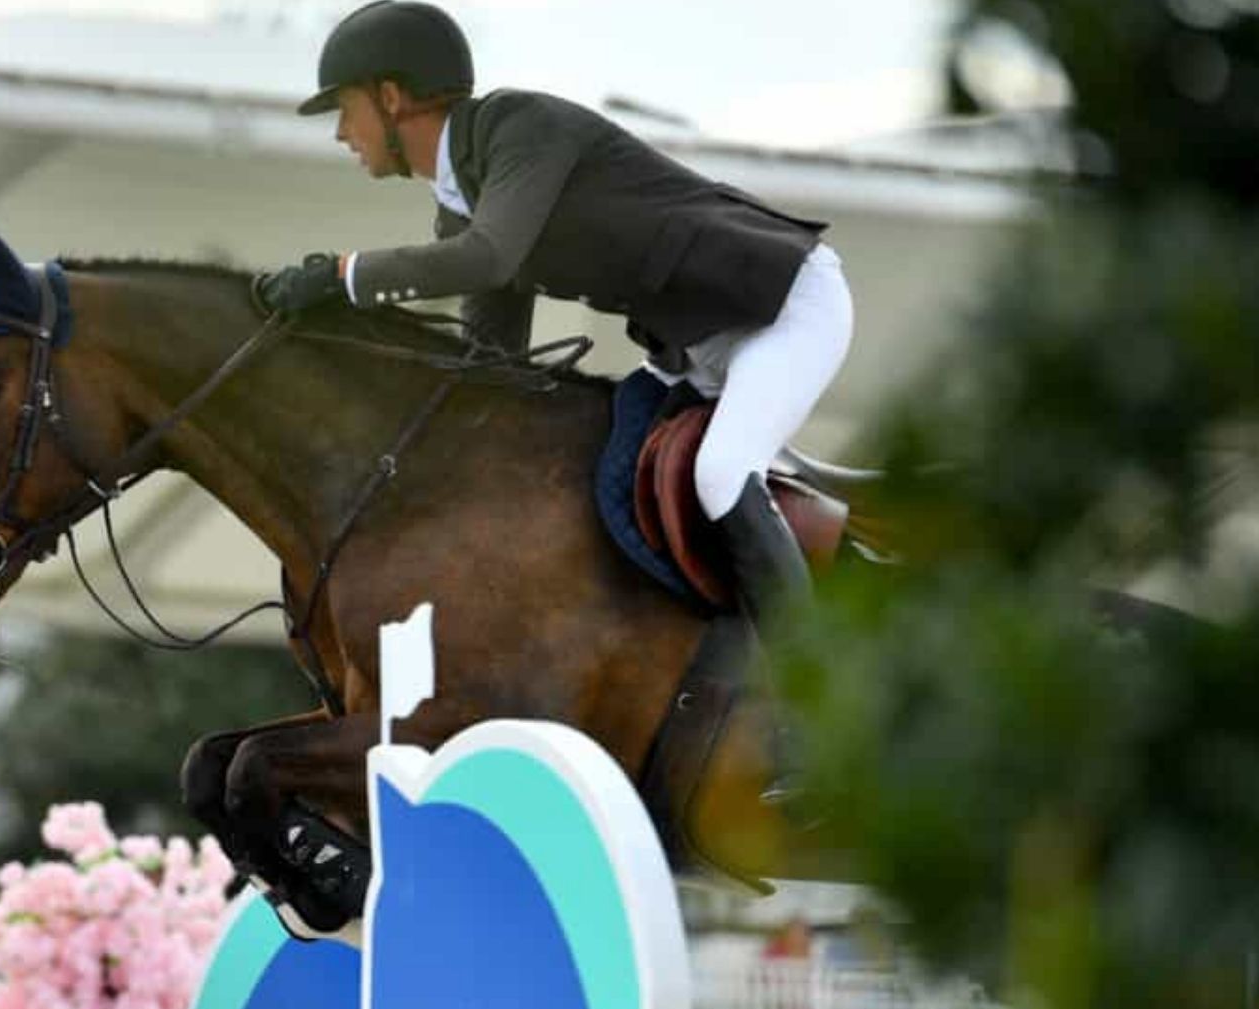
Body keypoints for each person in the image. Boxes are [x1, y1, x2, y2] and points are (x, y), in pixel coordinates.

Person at [260, 1, 855, 633]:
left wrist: (345, 276)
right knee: (597, 464)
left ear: (389, 97)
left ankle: (801, 679)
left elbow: (487, 260)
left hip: (781, 305)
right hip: (698, 351)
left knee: (719, 474)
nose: (341, 133)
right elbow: (491, 359)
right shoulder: (464, 200)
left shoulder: (520, 126)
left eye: (343, 110)